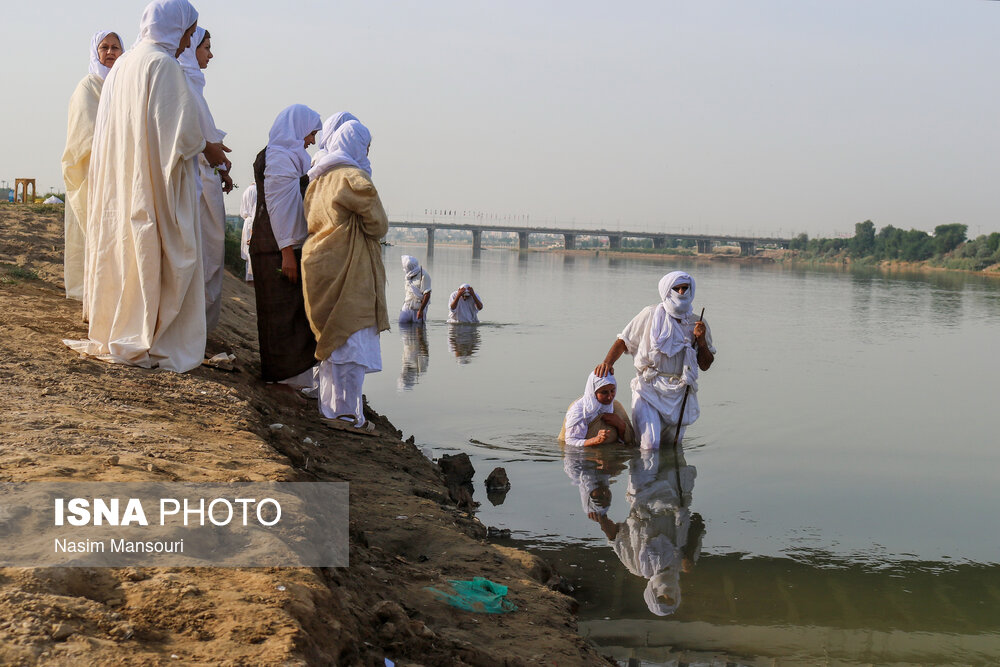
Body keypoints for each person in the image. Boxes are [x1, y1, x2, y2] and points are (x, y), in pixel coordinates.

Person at [65, 0, 229, 372]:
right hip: (151, 185)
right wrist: (210, 147)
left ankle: (124, 327)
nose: (189, 42)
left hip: (123, 184)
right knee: (160, 255)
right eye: (189, 32)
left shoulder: (123, 65)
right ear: (175, 28)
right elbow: (179, 136)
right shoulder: (163, 65)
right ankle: (155, 335)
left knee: (128, 253)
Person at [301, 118, 389, 432]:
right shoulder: (354, 179)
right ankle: (348, 416)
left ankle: (330, 410)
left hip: (319, 264)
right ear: (355, 145)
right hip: (351, 272)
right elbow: (378, 224)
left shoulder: (318, 177)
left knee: (331, 343)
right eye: (366, 146)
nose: (368, 153)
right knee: (352, 343)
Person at [595, 271, 715, 449]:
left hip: (680, 392)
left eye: (685, 288)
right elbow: (623, 341)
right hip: (649, 387)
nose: (681, 292)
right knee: (650, 445)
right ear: (667, 291)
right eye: (676, 288)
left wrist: (701, 340)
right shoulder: (650, 314)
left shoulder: (698, 323)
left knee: (670, 447)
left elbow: (705, 365)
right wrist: (607, 363)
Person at [249, 104, 322, 387]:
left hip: (277, 246)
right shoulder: (281, 156)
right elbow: (280, 209)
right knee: (284, 315)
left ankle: (290, 377)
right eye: (310, 133)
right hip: (278, 249)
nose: (312, 141)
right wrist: (287, 254)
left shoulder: (284, 154)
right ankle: (288, 379)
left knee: (288, 313)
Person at [61, 30, 123, 302]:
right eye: (104, 47)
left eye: (115, 48)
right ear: (95, 52)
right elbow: (84, 137)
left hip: (121, 175)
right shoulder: (88, 87)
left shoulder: (124, 86)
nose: (110, 53)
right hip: (93, 176)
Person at [178, 26, 233, 331]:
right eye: (205, 47)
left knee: (210, 252)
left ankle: (199, 330)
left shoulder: (194, 84)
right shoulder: (183, 82)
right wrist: (213, 153)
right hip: (195, 182)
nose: (210, 54)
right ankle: (193, 330)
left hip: (206, 178)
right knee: (203, 253)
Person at [559, 372, 635, 447]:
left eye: (612, 391)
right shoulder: (580, 410)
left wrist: (620, 424)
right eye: (604, 392)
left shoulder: (615, 406)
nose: (610, 397)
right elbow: (570, 442)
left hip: (609, 454)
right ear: (593, 392)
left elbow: (631, 440)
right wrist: (595, 440)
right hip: (586, 456)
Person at [399, 255, 431, 324]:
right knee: (402, 323)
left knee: (418, 329)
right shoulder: (407, 276)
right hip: (407, 305)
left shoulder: (424, 275)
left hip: (419, 307)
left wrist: (421, 310)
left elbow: (427, 294)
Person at [239, 183, 256, 282]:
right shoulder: (257, 190)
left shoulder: (247, 189)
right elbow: (255, 213)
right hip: (252, 224)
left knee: (249, 256)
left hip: (247, 222)